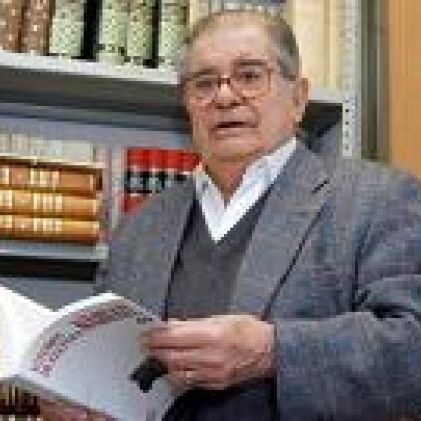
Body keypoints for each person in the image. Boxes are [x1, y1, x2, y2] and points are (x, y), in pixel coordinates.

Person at [40, 9, 421, 421]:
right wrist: (73, 391)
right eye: (204, 83)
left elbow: (413, 350)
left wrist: (272, 352)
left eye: (250, 76)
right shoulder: (139, 227)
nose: (224, 97)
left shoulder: (377, 199)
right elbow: (105, 361)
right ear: (188, 105)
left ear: (298, 98)